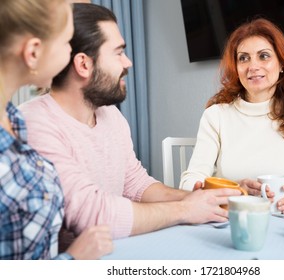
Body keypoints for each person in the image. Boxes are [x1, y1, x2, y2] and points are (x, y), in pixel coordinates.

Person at [19, 3, 240, 243]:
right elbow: (92, 215)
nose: (128, 63)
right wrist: (184, 210)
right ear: (84, 64)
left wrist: (192, 199)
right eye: (118, 52)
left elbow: (135, 183)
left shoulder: (110, 115)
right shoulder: (33, 123)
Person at [179, 18, 284, 214]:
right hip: (228, 220)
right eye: (243, 58)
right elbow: (189, 183)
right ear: (236, 68)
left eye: (263, 56)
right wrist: (235, 190)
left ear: (281, 64)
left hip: (281, 219)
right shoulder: (216, 115)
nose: (253, 66)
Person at [0, 0, 113, 260]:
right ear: (33, 52)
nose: (70, 53)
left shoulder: (13, 119)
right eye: (66, 43)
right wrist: (72, 259)